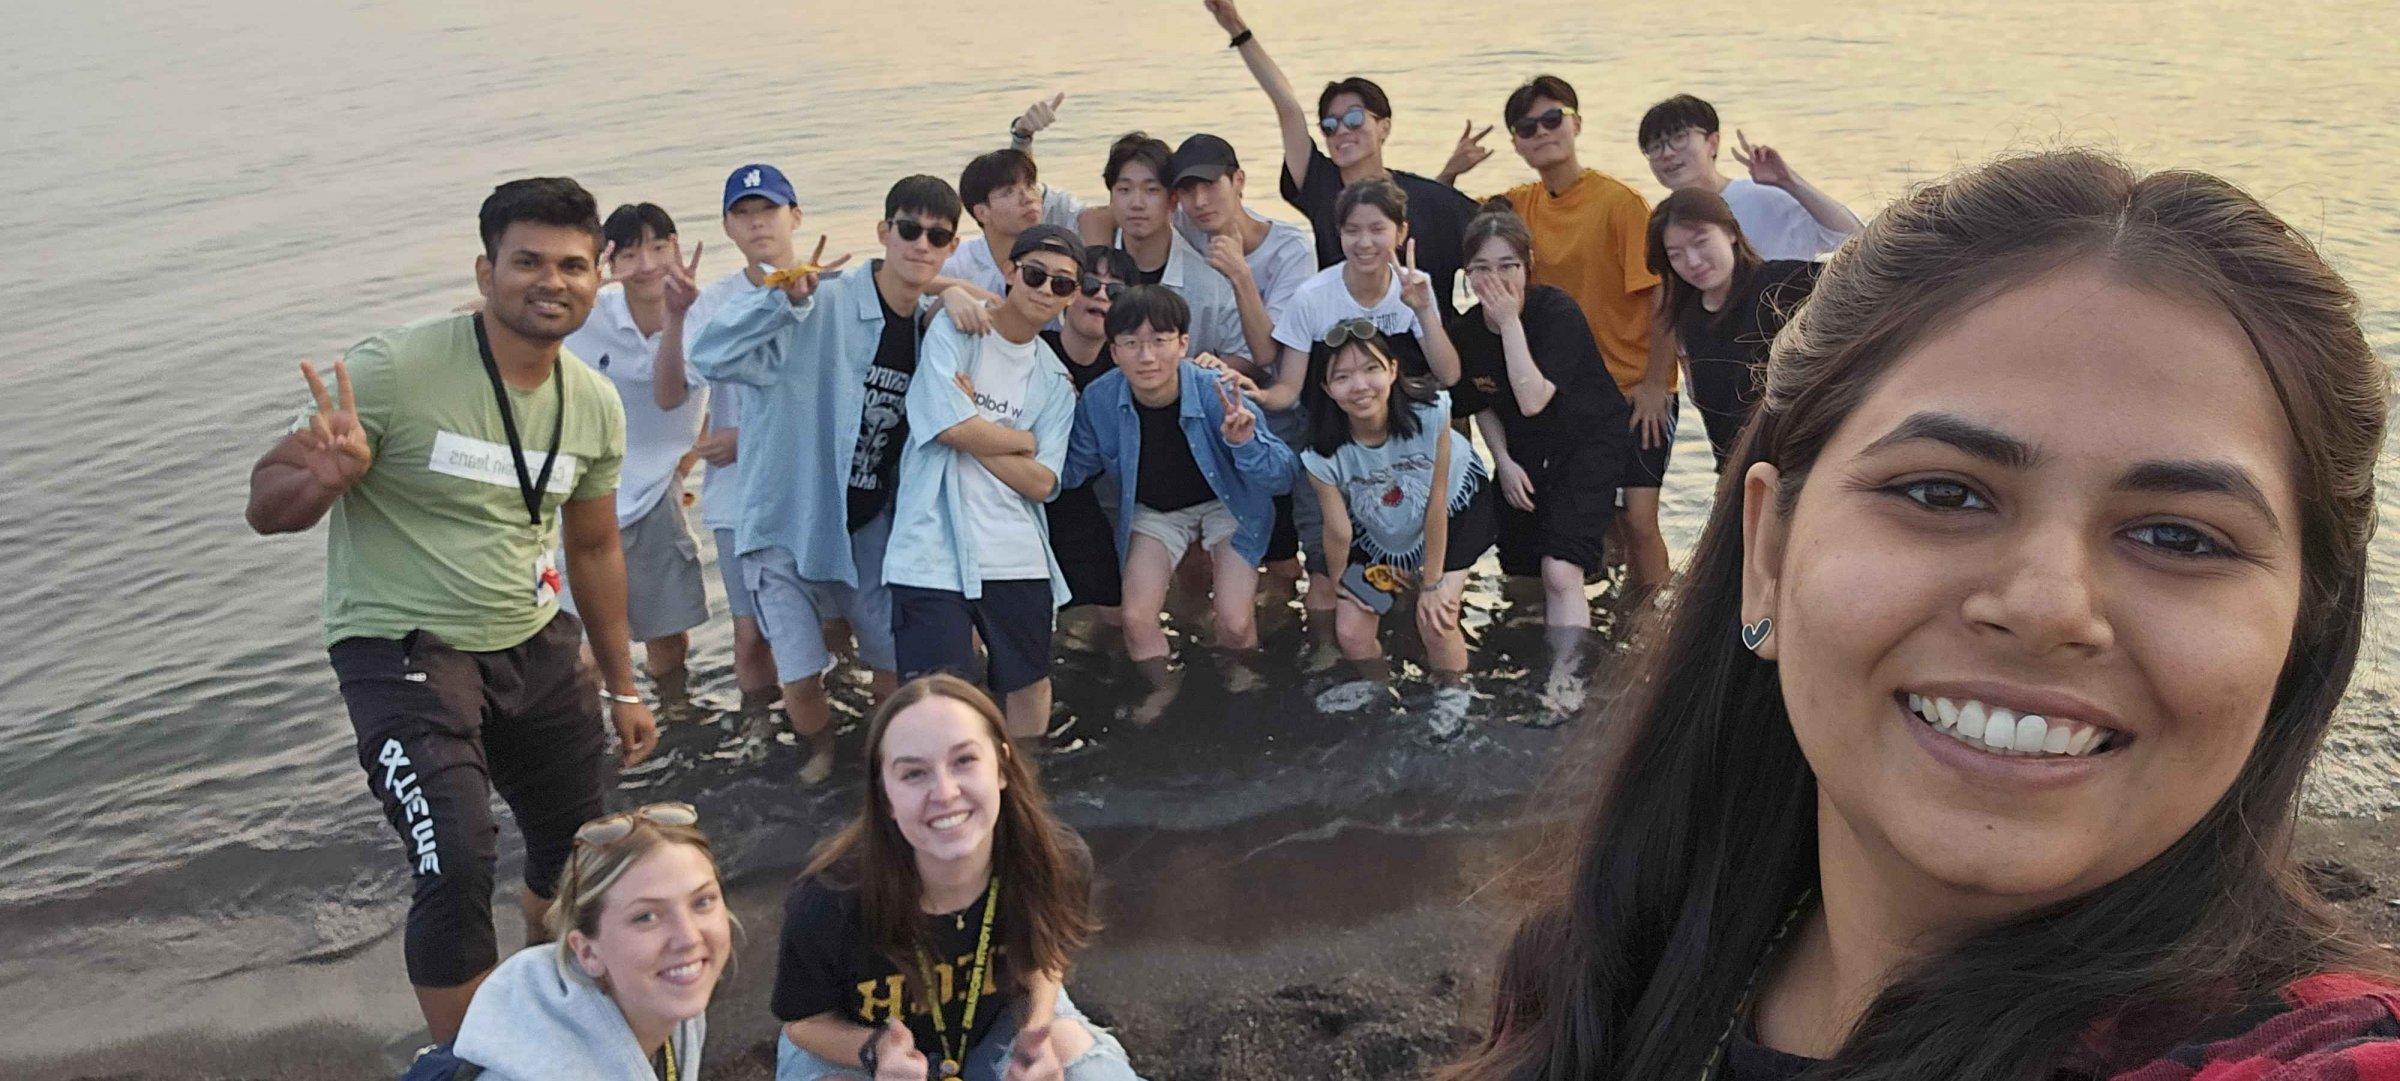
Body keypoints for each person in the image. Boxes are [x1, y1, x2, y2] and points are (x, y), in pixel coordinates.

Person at [1439, 150, 2400, 1081]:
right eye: (1943, 493)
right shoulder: (1601, 975)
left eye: (2182, 538)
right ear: (1768, 549)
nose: (2045, 606)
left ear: (2303, 629)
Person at [244, 177, 655, 1043]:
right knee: (457, 856)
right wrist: (320, 482)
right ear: (486, 268)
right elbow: (264, 498)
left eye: (573, 265)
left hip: (531, 636)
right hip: (400, 643)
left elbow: (593, 550)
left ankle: (553, 1008)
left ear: (599, 276)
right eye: (528, 261)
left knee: (581, 851)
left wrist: (623, 686)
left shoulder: (593, 402)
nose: (552, 281)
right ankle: (478, 1060)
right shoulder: (395, 368)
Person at [689, 175, 961, 785]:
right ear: (884, 233)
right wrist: (779, 303)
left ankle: (889, 760)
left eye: (936, 236)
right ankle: (821, 757)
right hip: (787, 522)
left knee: (891, 661)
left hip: (868, 525)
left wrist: (960, 296)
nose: (920, 244)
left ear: (950, 245)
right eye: (909, 230)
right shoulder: (821, 302)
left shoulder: (930, 327)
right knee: (800, 671)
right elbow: (710, 358)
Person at [772, 675, 1146, 1081]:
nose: (945, 792)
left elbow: (1043, 960)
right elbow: (805, 1022)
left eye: (964, 760)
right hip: (858, 1047)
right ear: (886, 798)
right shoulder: (828, 900)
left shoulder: (1053, 861)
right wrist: (875, 1051)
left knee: (1084, 1065)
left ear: (1002, 766)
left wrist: (1034, 1035)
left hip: (998, 1026)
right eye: (914, 774)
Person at [1454, 75, 1675, 604]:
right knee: (1588, 527)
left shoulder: (1618, 202)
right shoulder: (1517, 204)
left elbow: (1663, 297)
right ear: (1515, 141)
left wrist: (1653, 385)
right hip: (1560, 389)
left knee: (1638, 520)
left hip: (1628, 386)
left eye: (1554, 119)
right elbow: (1444, 221)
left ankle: (1657, 623)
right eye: (1527, 127)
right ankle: (1607, 613)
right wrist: (1450, 171)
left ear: (1577, 123)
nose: (1542, 132)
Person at [884, 224, 1084, 745]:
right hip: (931, 549)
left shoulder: (1056, 381)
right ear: (1010, 273)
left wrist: (972, 425)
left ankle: (1021, 793)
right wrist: (1017, 439)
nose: (1045, 290)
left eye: (1062, 284)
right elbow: (945, 426)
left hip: (1015, 552)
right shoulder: (957, 330)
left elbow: (1043, 483)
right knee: (937, 699)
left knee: (1031, 684)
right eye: (1036, 275)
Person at [1203, 0, 1478, 325]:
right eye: (1330, 125)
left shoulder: (1431, 199)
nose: (1341, 131)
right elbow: (1287, 107)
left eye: (1354, 118)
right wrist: (1237, 28)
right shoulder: (1320, 185)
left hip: (1427, 356)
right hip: (1346, 353)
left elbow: (1497, 243)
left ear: (1384, 127)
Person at [1062, 285, 1295, 667]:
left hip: (1227, 503)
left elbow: (1283, 476)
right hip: (1154, 511)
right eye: (1132, 343)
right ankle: (1162, 697)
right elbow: (1071, 471)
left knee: (1235, 622)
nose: (1147, 356)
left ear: (1183, 344)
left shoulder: (1217, 390)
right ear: (1114, 351)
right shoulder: (1100, 399)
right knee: (1136, 621)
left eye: (1160, 340)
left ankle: (1243, 691)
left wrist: (1246, 442)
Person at [424, 804, 729, 1081]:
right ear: (586, 951)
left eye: (702, 901)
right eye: (646, 917)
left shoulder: (664, 998)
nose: (688, 938)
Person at [1447, 200, 1631, 634]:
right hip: (1523, 450)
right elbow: (1481, 401)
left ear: (1529, 264)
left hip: (1587, 444)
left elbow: (1533, 398)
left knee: (1560, 569)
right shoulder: (1469, 331)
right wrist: (1503, 462)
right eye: (1481, 269)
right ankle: (1528, 654)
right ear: (1467, 273)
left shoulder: (1556, 314)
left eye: (1508, 265)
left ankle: (1567, 681)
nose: (1495, 280)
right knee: (1521, 568)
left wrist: (1510, 323)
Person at [560, 202, 711, 715]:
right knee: (586, 652)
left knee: (669, 638)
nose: (646, 264)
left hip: (656, 498)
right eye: (628, 253)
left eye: (658, 247)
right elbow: (494, 315)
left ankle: (675, 720)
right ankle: (594, 739)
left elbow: (693, 394)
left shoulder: (702, 311)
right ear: (608, 261)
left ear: (677, 246)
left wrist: (689, 456)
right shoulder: (587, 313)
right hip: (584, 498)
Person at [1301, 327, 1493, 729]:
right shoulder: (1320, 450)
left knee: (1437, 616)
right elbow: (1338, 532)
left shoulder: (1432, 412)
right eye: (1343, 376)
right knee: (1351, 629)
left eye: (1371, 369)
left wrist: (1433, 583)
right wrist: (1344, 588)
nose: (1360, 386)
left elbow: (1436, 502)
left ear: (1392, 369)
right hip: (1379, 528)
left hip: (1455, 510)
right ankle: (1378, 686)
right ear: (1327, 388)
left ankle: (1454, 692)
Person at [1164, 132, 1322, 613]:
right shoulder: (1185, 226)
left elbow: (1268, 351)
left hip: (1279, 404)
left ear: (1239, 181)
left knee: (1286, 544)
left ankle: (1282, 607)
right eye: (1187, 191)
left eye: (1211, 186)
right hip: (1213, 401)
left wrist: (1240, 275)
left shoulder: (1292, 249)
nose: (1200, 201)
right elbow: (1119, 213)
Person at [675, 163, 803, 732]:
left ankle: (835, 729)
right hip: (737, 498)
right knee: (750, 633)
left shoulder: (825, 290)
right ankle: (762, 734)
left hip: (809, 488)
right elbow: (685, 385)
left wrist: (748, 437)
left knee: (830, 625)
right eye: (743, 215)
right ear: (728, 227)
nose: (757, 225)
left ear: (794, 216)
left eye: (768, 211)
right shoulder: (714, 302)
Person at [1648, 187, 1823, 471]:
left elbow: (1868, 280)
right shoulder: (1689, 318)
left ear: (1730, 232)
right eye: (1676, 254)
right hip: (1735, 474)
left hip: (1800, 466)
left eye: (1701, 242)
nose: (1692, 261)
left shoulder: (1781, 283)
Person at [1638, 93, 1863, 263]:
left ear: (1713, 142)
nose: (1667, 153)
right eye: (1655, 147)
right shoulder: (1665, 224)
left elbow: (1855, 240)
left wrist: (1789, 182)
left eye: (1679, 138)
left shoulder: (1764, 197)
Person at [1042, 247, 1136, 625]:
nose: (1100, 296)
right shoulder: (1034, 350)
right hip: (1018, 494)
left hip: (1085, 499)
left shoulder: (1128, 369)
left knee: (1112, 619)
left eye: (1115, 292)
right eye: (1091, 285)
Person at [944, 95, 1087, 301]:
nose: (1027, 198)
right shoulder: (959, 265)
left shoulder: (1057, 258)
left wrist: (1023, 135)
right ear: (982, 212)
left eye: (1030, 187)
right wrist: (952, 290)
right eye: (1008, 192)